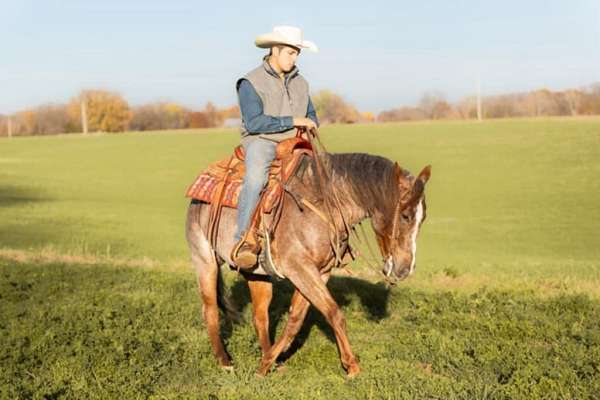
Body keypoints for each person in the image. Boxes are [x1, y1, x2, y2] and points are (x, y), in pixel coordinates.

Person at [232, 26, 320, 268]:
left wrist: (312, 124)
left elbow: (311, 113)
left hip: (295, 142)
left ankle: (328, 239)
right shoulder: (250, 82)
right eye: (290, 53)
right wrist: (293, 121)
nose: (294, 58)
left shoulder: (301, 83)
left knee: (324, 176)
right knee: (256, 178)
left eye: (296, 54)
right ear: (274, 50)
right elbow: (254, 122)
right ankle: (243, 240)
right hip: (263, 140)